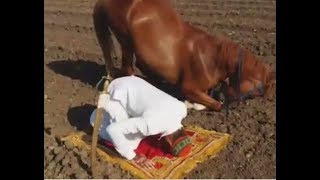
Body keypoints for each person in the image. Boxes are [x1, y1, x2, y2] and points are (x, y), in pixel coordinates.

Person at [90, 75, 192, 169]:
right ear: (169, 141)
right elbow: (113, 130)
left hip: (134, 82)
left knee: (136, 131)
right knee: (129, 144)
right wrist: (134, 156)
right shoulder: (151, 125)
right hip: (116, 93)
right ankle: (97, 117)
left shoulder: (182, 109)